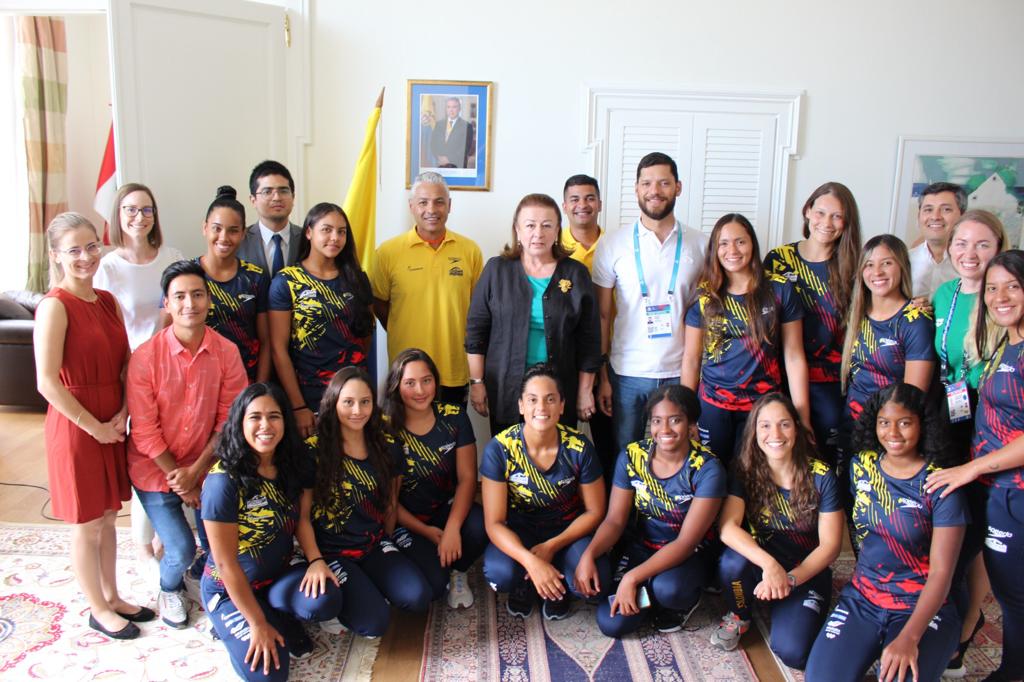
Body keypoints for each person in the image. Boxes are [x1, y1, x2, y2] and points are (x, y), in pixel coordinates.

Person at [34, 212, 151, 640]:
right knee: (86, 523)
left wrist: (121, 412)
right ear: (56, 256)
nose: (85, 257)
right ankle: (97, 608)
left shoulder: (106, 301)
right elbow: (46, 382)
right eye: (74, 250)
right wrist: (95, 427)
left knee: (106, 516)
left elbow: (124, 364)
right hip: (75, 427)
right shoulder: (54, 306)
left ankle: (114, 595)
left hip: (111, 421)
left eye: (91, 246)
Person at [805, 383, 966, 682]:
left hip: (920, 607)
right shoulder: (860, 467)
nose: (893, 433)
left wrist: (909, 637)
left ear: (922, 425)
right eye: (884, 423)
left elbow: (942, 572)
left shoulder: (940, 484)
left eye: (904, 423)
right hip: (864, 599)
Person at [127, 260, 248, 628]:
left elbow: (229, 421)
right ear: (166, 303)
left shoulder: (226, 352)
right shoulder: (145, 357)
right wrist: (181, 481)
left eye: (197, 294)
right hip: (154, 470)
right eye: (179, 296)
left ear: (209, 300)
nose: (189, 304)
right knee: (179, 549)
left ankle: (210, 583)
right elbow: (145, 431)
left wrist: (196, 474)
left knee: (221, 545)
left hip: (206, 467)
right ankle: (169, 587)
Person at [925, 249, 1024, 682]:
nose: (1000, 296)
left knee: (1014, 594)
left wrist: (972, 468)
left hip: (1014, 489)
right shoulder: (1009, 341)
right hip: (993, 484)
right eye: (994, 288)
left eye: (1014, 286)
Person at [201, 383, 342, 682]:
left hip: (277, 575)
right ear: (240, 422)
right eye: (255, 417)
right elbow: (226, 565)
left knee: (325, 599)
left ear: (285, 422)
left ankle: (271, 610)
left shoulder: (293, 463)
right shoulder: (222, 482)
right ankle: (237, 622)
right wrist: (256, 625)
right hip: (228, 588)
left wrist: (316, 560)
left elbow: (302, 519)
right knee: (270, 675)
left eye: (274, 416)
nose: (265, 426)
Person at [575, 384, 726, 636]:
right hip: (642, 548)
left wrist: (632, 578)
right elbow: (614, 521)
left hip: (686, 555)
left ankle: (676, 601)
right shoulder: (632, 456)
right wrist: (589, 554)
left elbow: (686, 543)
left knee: (669, 589)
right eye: (657, 420)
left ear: (691, 425)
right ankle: (647, 595)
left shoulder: (707, 469)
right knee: (612, 623)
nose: (664, 429)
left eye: (675, 420)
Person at [710, 393, 843, 669]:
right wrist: (769, 565)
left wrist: (790, 579)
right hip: (760, 565)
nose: (775, 434)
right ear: (754, 432)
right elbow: (727, 528)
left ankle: (791, 604)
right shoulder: (744, 470)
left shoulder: (822, 475)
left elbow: (831, 546)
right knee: (730, 564)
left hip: (805, 572)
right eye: (765, 426)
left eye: (784, 424)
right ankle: (740, 614)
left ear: (796, 427)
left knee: (793, 652)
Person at [94, 182, 185, 572]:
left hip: (172, 367)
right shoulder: (108, 266)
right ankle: (143, 544)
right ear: (118, 215)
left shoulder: (172, 256)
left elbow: (180, 309)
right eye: (130, 209)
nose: (138, 217)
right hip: (129, 370)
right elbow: (104, 326)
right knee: (143, 453)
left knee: (174, 446)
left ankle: (171, 532)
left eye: (146, 210)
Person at [308, 367, 434, 637]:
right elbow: (301, 516)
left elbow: (390, 503)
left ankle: (369, 587)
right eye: (348, 402)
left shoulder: (387, 446)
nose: (357, 410)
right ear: (334, 403)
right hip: (334, 553)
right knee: (375, 624)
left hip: (373, 545)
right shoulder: (313, 451)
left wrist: (386, 541)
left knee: (418, 596)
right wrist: (314, 558)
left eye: (365, 402)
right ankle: (342, 602)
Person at [592, 152, 705, 452]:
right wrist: (603, 376)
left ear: (678, 187)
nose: (655, 190)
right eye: (647, 183)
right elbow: (602, 316)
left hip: (678, 370)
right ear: (637, 189)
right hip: (626, 371)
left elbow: (707, 316)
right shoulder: (613, 243)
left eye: (664, 182)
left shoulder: (701, 244)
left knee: (676, 453)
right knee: (624, 455)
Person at [480, 364, 608, 621]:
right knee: (500, 573)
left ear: (562, 405)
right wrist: (531, 561)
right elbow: (493, 523)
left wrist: (552, 546)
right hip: (519, 530)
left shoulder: (579, 447)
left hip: (568, 531)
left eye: (550, 400)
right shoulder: (499, 449)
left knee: (597, 583)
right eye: (533, 400)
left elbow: (596, 511)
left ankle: (558, 584)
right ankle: (525, 583)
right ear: (521, 406)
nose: (541, 408)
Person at [465, 193, 600, 435]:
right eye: (530, 225)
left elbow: (589, 340)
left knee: (557, 458)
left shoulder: (575, 273)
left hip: (559, 389)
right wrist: (477, 383)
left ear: (558, 230)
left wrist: (585, 390)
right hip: (506, 386)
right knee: (510, 457)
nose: (538, 233)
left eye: (547, 225)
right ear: (517, 229)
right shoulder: (497, 270)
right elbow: (476, 331)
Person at [682, 213, 810, 465]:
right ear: (714, 250)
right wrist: (687, 415)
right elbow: (691, 358)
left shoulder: (779, 289)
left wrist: (801, 416)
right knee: (713, 473)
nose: (733, 250)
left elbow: (794, 356)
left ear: (752, 244)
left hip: (762, 406)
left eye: (740, 242)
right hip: (713, 404)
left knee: (752, 477)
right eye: (724, 243)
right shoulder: (705, 296)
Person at [764, 182, 862, 465]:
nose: (827, 223)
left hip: (829, 381)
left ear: (846, 223)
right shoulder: (778, 260)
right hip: (780, 375)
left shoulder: (853, 265)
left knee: (825, 456)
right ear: (807, 211)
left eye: (837, 216)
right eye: (820, 212)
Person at [384, 348, 486, 609]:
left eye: (426, 380)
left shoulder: (454, 416)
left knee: (481, 525)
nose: (420, 390)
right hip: (406, 522)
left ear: (436, 381)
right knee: (432, 588)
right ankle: (422, 565)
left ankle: (458, 570)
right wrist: (428, 533)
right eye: (410, 383)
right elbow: (389, 501)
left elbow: (467, 478)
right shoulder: (385, 428)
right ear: (396, 386)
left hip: (446, 510)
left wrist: (452, 529)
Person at [371, 172, 482, 405]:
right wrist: (401, 325)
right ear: (411, 206)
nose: (431, 209)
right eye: (423, 202)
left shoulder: (470, 251)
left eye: (439, 201)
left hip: (453, 370)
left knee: (451, 439)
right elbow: (378, 302)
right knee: (404, 440)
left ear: (449, 206)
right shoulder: (388, 252)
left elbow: (478, 312)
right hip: (406, 373)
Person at [268, 203, 373, 439]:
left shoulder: (357, 278)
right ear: (308, 232)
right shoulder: (287, 281)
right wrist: (298, 406)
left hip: (355, 393)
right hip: (310, 395)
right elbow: (278, 348)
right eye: (326, 229)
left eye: (341, 231)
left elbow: (365, 335)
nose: (335, 238)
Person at [840, 235, 935, 468]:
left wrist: (888, 433)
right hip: (852, 426)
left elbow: (913, 397)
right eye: (869, 265)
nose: (877, 272)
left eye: (887, 263)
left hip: (889, 434)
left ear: (902, 266)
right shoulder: (856, 316)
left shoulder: (915, 320)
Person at [560, 174, 617, 482]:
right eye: (575, 199)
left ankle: (612, 511)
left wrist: (604, 372)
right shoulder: (553, 249)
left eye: (589, 198)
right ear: (565, 205)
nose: (583, 205)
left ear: (600, 204)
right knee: (563, 441)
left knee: (609, 441)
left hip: (609, 359)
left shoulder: (618, 246)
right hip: (567, 361)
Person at [195, 186, 271, 383]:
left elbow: (266, 342)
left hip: (245, 382)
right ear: (204, 228)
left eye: (233, 231)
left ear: (244, 233)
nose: (224, 238)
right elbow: (166, 337)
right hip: (199, 382)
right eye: (217, 228)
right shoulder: (186, 275)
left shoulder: (256, 277)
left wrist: (258, 391)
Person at [237, 160, 303, 278]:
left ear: (293, 197)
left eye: (283, 191)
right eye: (267, 191)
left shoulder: (307, 240)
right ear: (253, 200)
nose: (277, 198)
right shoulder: (239, 240)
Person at [909, 182, 966, 300]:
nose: (935, 217)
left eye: (946, 209)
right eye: (928, 209)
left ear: (963, 216)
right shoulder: (903, 260)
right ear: (919, 216)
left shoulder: (970, 264)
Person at [430, 97, 474, 168]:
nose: (451, 110)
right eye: (448, 107)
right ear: (446, 109)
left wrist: (448, 159)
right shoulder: (438, 124)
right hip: (440, 165)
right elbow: (433, 144)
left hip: (457, 166)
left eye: (454, 107)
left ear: (459, 109)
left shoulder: (467, 126)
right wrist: (439, 158)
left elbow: (466, 149)